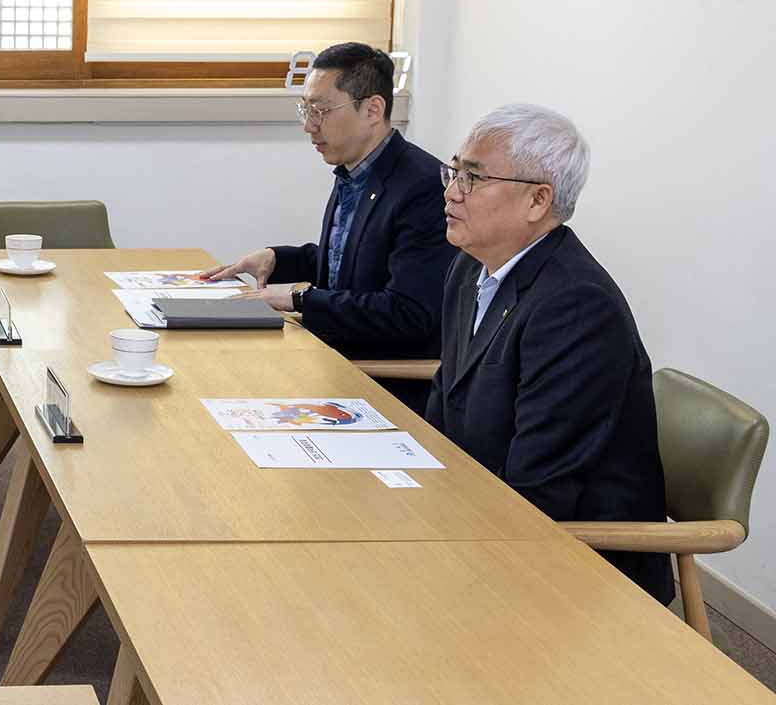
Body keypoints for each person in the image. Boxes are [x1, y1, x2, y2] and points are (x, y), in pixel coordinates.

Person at [427, 104, 672, 602]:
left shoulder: (576, 307)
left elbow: (540, 489)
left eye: (474, 178)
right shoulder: (470, 267)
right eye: (453, 171)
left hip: (575, 561)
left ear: (538, 200)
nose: (452, 192)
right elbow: (445, 404)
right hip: (477, 513)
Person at [200, 43, 454, 405]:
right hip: (331, 357)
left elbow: (408, 313)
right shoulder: (354, 172)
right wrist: (278, 259)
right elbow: (355, 265)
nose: (309, 125)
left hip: (382, 381)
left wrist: (299, 298)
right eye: (306, 109)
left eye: (320, 111)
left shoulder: (423, 187)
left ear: (372, 109)